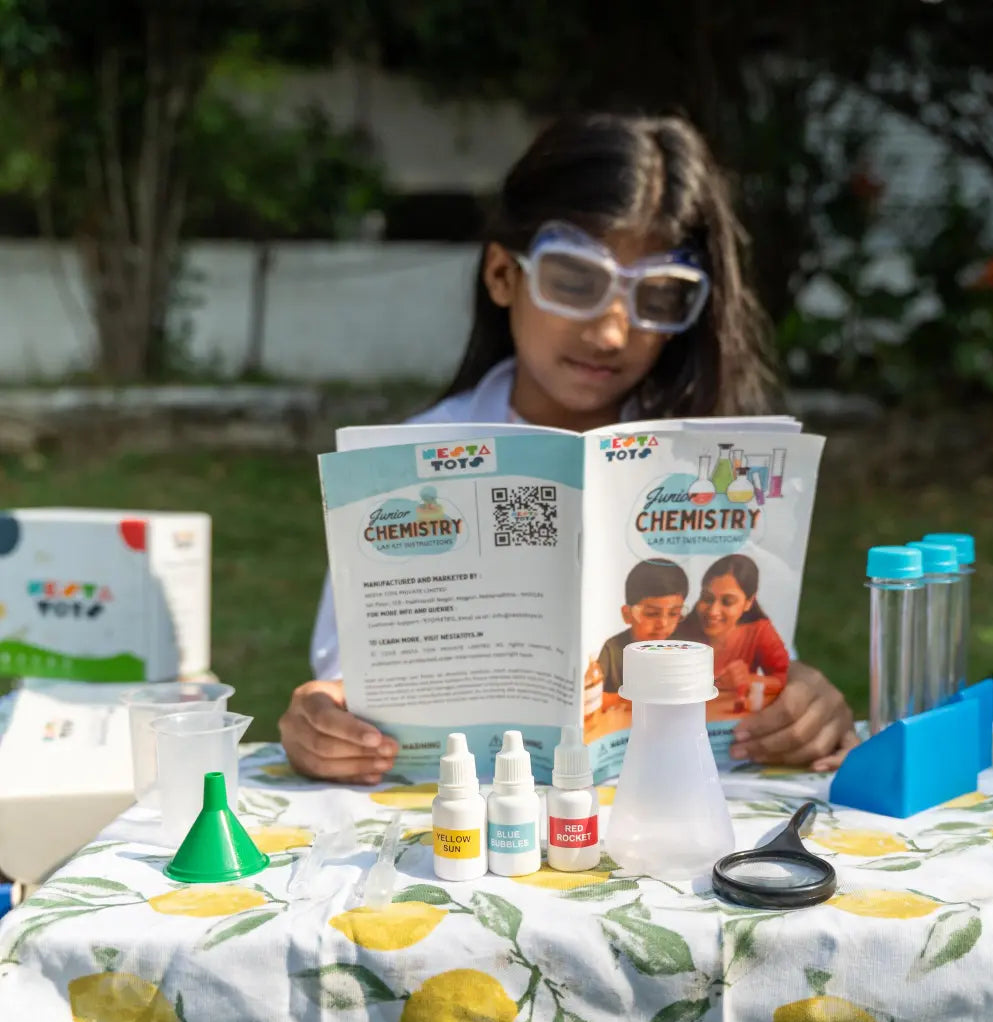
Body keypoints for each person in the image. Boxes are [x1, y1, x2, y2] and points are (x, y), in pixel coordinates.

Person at [279, 111, 856, 783]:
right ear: (502, 274)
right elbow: (350, 684)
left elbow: (747, 670)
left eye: (659, 297)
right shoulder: (405, 465)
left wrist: (800, 706)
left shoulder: (713, 469)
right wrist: (323, 717)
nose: (611, 334)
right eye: (575, 282)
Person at [677, 554, 789, 694]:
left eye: (728, 602)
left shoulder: (758, 631)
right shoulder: (680, 632)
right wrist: (719, 683)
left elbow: (784, 678)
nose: (713, 611)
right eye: (707, 598)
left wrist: (748, 681)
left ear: (749, 602)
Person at [598, 558, 690, 705]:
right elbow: (591, 697)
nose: (663, 624)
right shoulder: (612, 649)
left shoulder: (685, 646)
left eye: (674, 613)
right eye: (652, 613)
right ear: (627, 615)